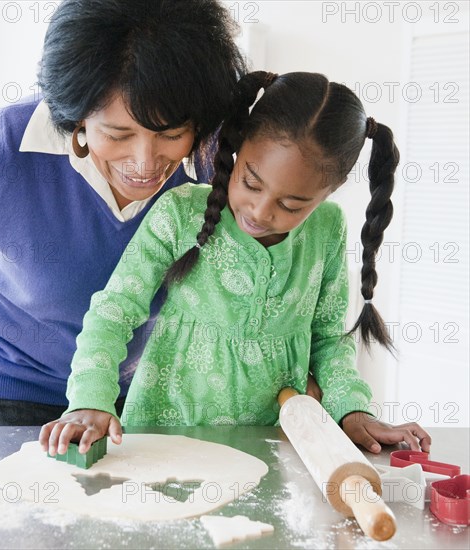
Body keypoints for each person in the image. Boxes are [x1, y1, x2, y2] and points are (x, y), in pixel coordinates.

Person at [40, 71, 432, 457]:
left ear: (333, 188)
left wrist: (353, 408)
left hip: (269, 444)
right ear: (239, 145)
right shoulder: (180, 213)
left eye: (291, 204)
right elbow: (114, 311)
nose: (260, 212)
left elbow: (328, 341)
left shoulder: (328, 230)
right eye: (251, 183)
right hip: (162, 437)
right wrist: (89, 399)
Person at [0, 0, 248, 425]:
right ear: (76, 116)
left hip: (139, 395)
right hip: (5, 384)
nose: (146, 163)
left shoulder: (221, 162)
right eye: (117, 134)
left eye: (170, 134)